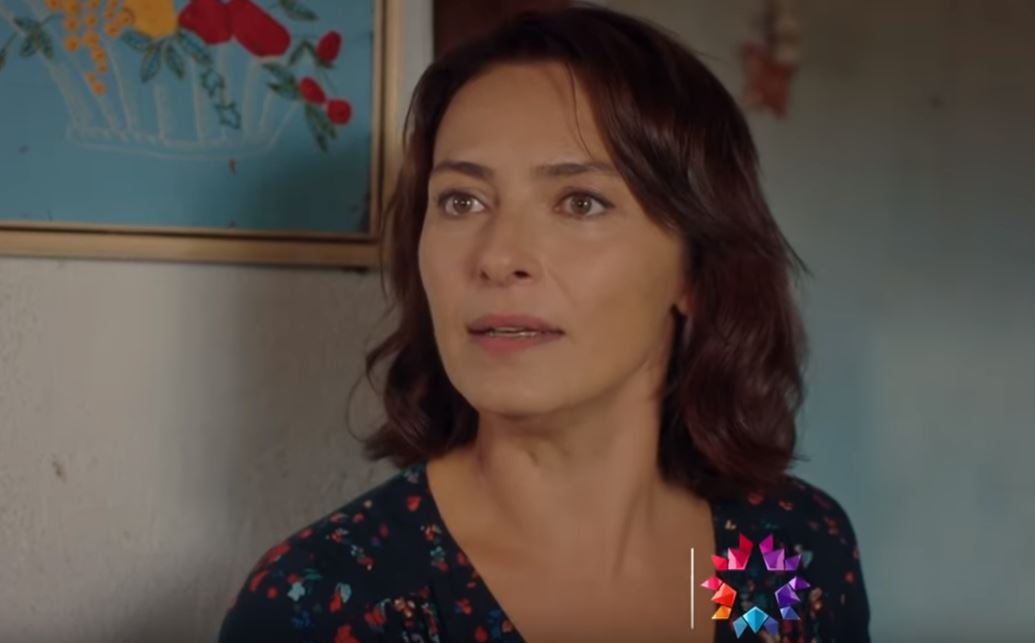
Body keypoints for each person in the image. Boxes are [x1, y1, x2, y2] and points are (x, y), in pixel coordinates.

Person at [218, 5, 870, 642]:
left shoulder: (792, 553)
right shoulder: (327, 606)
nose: (497, 257)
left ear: (695, 270)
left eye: (579, 202)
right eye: (462, 201)